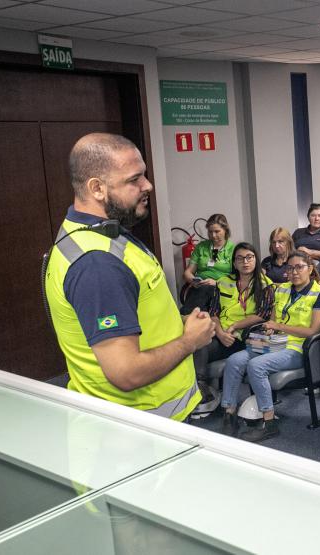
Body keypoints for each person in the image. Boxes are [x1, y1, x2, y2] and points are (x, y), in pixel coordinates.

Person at [44, 133, 213, 421]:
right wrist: (189, 342)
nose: (148, 185)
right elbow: (126, 372)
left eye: (144, 175)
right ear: (97, 188)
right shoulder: (98, 265)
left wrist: (175, 325)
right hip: (142, 430)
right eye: (134, 179)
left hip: (150, 424)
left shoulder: (102, 233)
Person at [220, 251, 320, 441]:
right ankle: (229, 412)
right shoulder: (281, 289)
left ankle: (269, 422)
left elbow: (313, 331)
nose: (294, 272)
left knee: (256, 366)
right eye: (290, 268)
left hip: (297, 349)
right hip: (273, 344)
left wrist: (278, 326)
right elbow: (272, 320)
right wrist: (269, 330)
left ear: (310, 269)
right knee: (234, 360)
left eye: (299, 267)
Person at [193, 242, 273, 380]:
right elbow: (213, 312)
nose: (245, 262)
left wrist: (235, 326)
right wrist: (220, 333)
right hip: (221, 334)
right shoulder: (223, 281)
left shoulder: (266, 284)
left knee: (200, 347)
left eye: (249, 257)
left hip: (246, 336)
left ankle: (200, 384)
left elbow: (263, 314)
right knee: (196, 342)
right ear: (234, 263)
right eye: (240, 258)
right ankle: (198, 385)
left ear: (256, 260)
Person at [181, 213, 235, 309]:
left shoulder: (233, 249)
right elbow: (188, 272)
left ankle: (186, 315)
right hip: (199, 287)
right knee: (202, 291)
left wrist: (217, 283)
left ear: (225, 230)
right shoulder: (201, 247)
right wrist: (193, 281)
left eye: (217, 231)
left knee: (206, 291)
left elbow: (238, 278)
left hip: (222, 288)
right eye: (210, 232)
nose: (213, 235)